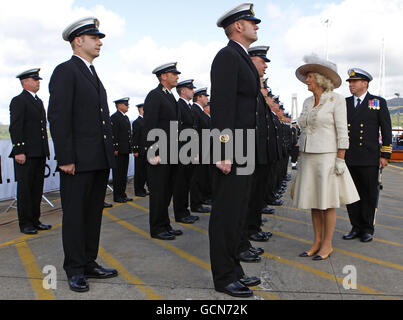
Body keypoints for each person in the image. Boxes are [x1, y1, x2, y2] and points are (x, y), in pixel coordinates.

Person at [48, 17, 118, 292]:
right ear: (79, 41)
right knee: (76, 216)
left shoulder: (91, 73)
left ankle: (89, 261)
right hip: (77, 160)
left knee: (92, 215)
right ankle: (75, 268)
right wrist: (65, 157)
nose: (100, 42)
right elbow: (59, 116)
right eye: (95, 38)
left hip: (97, 159)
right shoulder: (66, 71)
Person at [209, 3, 262, 298]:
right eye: (252, 21)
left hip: (245, 145)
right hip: (233, 146)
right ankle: (223, 276)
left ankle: (234, 270)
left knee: (238, 212)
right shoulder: (227, 56)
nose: (257, 25)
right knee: (226, 214)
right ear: (238, 26)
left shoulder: (240, 57)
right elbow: (222, 107)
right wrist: (222, 151)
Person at [292, 54, 360, 261]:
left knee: (328, 202)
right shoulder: (306, 101)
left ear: (320, 78)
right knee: (314, 201)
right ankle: (316, 242)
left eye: (310, 76)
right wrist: (300, 156)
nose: (307, 80)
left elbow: (342, 131)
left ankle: (327, 245)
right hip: (309, 157)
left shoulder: (336, 100)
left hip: (327, 157)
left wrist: (341, 158)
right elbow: (303, 130)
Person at [343, 68, 392, 242]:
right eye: (349, 82)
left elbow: (386, 129)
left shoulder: (377, 102)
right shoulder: (345, 103)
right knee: (351, 194)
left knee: (369, 194)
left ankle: (367, 228)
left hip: (369, 157)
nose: (351, 85)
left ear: (365, 83)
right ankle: (355, 226)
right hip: (349, 156)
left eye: (354, 82)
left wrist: (385, 155)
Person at [143, 62, 183, 240]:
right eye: (173, 73)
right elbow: (150, 125)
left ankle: (165, 224)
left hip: (172, 153)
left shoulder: (170, 97)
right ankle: (157, 228)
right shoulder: (154, 95)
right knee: (158, 192)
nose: (177, 76)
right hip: (160, 153)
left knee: (167, 191)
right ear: (163, 77)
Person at [9, 68, 51, 235]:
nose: (38, 82)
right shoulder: (19, 100)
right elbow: (16, 127)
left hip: (38, 152)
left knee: (36, 189)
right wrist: (19, 150)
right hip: (25, 153)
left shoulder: (38, 101)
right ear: (25, 82)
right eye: (35, 80)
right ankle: (25, 223)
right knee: (25, 190)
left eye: (38, 79)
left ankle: (35, 220)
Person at [173, 79, 202, 224]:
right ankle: (181, 213)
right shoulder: (179, 105)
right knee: (181, 184)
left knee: (186, 183)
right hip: (183, 150)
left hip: (190, 150)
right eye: (190, 89)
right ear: (183, 91)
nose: (192, 91)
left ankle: (185, 211)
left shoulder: (188, 107)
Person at [111, 97, 133, 203]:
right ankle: (117, 196)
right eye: (126, 104)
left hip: (125, 149)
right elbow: (114, 134)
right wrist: (115, 147)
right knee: (118, 174)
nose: (128, 106)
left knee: (123, 174)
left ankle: (122, 194)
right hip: (118, 150)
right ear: (119, 105)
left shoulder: (125, 118)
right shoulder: (115, 117)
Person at [132, 103, 149, 197]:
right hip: (140, 151)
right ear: (141, 110)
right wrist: (135, 150)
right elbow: (135, 137)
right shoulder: (137, 122)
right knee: (139, 172)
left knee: (145, 172)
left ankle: (142, 189)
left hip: (146, 151)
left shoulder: (146, 121)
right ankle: (138, 190)